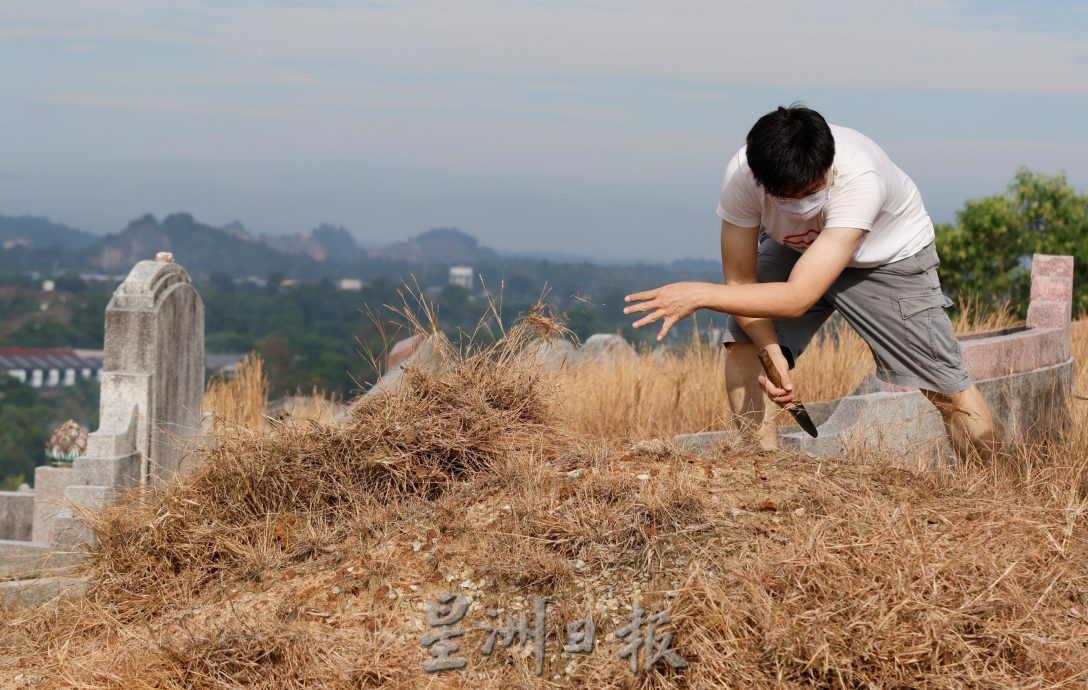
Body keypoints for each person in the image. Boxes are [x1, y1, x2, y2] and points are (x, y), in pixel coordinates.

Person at [623, 104, 996, 463]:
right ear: (762, 180)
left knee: (945, 386)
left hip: (886, 257)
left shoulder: (860, 177)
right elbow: (740, 282)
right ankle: (761, 468)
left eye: (812, 191)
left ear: (828, 168)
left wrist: (700, 293)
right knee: (743, 342)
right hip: (793, 248)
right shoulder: (741, 176)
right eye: (788, 197)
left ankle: (993, 491)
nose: (802, 204)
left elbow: (798, 297)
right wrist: (770, 352)